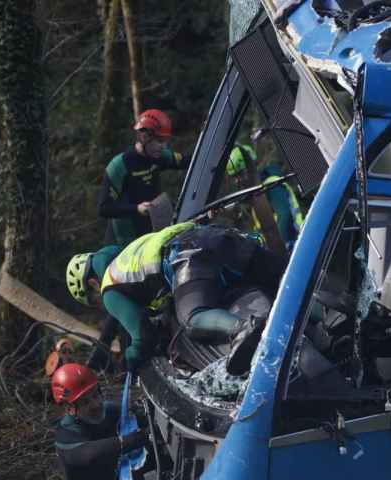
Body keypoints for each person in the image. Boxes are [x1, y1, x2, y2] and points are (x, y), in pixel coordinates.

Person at [65, 222, 287, 376]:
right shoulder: (128, 254)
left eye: (94, 301)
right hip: (215, 236)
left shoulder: (110, 286)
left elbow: (143, 337)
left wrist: (129, 361)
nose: (102, 306)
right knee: (284, 280)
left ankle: (244, 329)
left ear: (92, 284)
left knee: (193, 318)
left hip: (188, 256)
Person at [52, 362, 149, 480]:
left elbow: (144, 416)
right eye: (85, 402)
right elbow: (90, 455)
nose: (96, 404)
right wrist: (136, 439)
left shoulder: (110, 411)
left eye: (96, 395)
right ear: (69, 408)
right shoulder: (66, 435)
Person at [99, 109, 192, 247]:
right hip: (122, 244)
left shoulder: (159, 156)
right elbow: (104, 208)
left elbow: (188, 161)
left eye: (165, 141)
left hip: (150, 239)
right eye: (159, 141)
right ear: (144, 137)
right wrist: (137, 209)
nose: (163, 147)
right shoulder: (119, 165)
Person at [225, 143, 305, 252]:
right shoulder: (256, 195)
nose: (237, 181)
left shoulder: (271, 185)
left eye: (239, 174)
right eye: (234, 177)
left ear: (250, 169)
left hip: (296, 243)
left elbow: (284, 215)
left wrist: (279, 250)